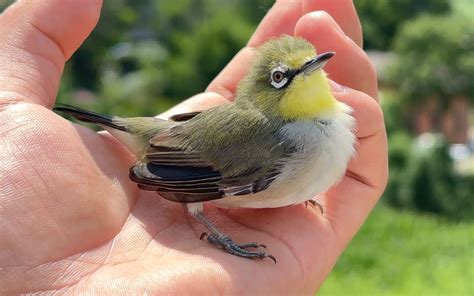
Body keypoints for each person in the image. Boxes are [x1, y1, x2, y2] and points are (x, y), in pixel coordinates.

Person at [0, 0, 387, 294]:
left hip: (186, 137)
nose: (310, 71)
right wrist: (220, 237)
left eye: (311, 64)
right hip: (178, 153)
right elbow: (197, 182)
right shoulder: (280, 146)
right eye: (283, 77)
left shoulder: (327, 125)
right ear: (267, 92)